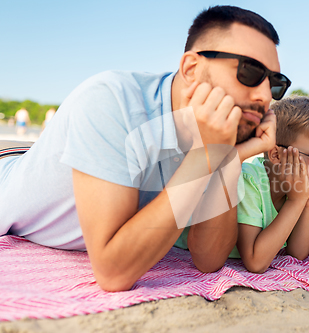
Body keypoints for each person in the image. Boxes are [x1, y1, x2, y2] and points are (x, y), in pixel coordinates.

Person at [0, 6, 291, 291]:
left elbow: (209, 259)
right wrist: (204, 156)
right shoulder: (113, 101)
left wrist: (229, 158)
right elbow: (113, 273)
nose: (265, 96)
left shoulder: (217, 137)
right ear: (191, 68)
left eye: (276, 84)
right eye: (250, 72)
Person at [223, 96, 309, 273]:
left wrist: (306, 204)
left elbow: (297, 254)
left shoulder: (296, 189)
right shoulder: (248, 181)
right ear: (276, 156)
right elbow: (255, 262)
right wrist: (296, 202)